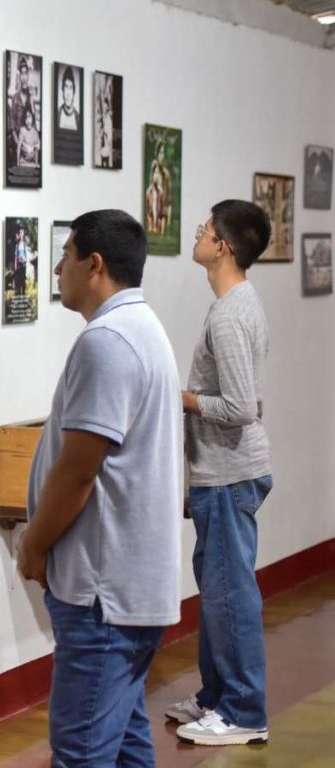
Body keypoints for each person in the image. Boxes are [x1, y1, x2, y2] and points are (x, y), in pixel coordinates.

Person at [19, 209, 183, 767]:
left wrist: (34, 542)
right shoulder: (141, 328)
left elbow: (79, 471)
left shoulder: (108, 341)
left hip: (102, 596)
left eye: (65, 254)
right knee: (127, 747)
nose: (57, 266)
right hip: (125, 590)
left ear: (94, 265)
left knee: (82, 753)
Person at [167, 201, 274, 747]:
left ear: (224, 246)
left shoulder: (231, 314)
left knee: (231, 593)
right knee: (217, 587)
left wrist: (179, 396)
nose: (200, 235)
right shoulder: (236, 303)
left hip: (230, 475)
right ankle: (215, 697)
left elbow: (240, 406)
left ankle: (244, 711)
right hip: (221, 473)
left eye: (206, 229)